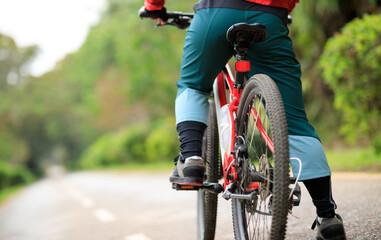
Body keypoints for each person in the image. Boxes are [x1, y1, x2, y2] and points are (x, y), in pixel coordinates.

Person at [141, 0, 346, 239]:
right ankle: (327, 216)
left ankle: (192, 158)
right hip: (268, 18)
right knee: (295, 122)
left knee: (193, 86)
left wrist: (153, 7)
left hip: (214, 12)